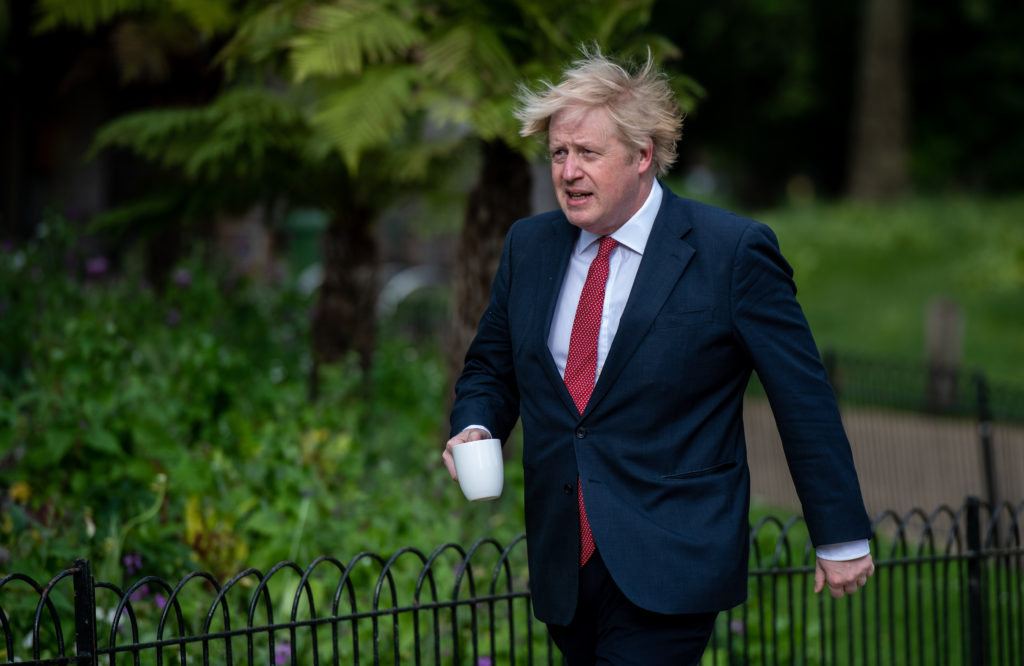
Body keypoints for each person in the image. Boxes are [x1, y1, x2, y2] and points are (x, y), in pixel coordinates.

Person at [442, 47, 875, 665]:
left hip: (673, 556)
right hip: (565, 558)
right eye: (559, 153)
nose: (568, 171)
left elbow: (801, 398)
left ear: (643, 155)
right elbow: (491, 367)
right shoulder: (529, 246)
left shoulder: (733, 252)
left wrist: (839, 535)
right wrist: (477, 425)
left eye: (588, 153)